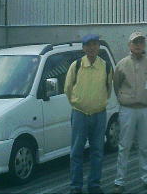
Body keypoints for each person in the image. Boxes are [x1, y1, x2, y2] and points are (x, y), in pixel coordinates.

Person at [64, 34, 113, 194]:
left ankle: (94, 185)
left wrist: (97, 103)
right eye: (88, 45)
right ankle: (75, 187)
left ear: (98, 46)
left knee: (97, 152)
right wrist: (78, 103)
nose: (92, 48)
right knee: (76, 152)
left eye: (94, 44)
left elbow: (108, 90)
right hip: (80, 114)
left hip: (99, 115)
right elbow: (67, 88)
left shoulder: (106, 67)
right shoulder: (76, 65)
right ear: (83, 48)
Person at [112, 32, 147, 193]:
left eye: (141, 42)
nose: (138, 45)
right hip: (128, 110)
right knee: (124, 146)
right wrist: (124, 99)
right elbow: (116, 85)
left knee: (145, 146)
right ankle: (119, 181)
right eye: (135, 42)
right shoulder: (121, 64)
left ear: (144, 44)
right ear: (129, 45)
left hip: (145, 109)